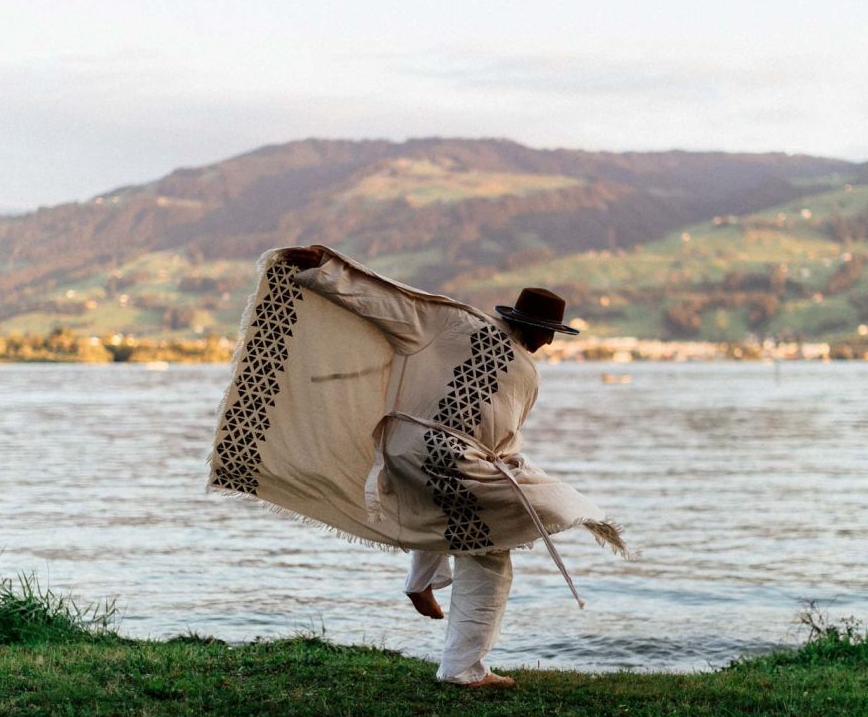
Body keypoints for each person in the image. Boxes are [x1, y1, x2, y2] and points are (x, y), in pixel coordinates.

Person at [211, 245, 625, 690]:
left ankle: (422, 584)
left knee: (448, 511)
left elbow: (388, 306)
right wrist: (324, 270)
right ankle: (463, 669)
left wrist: (324, 273)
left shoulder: (453, 326)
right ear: (537, 329)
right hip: (451, 459)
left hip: (406, 451)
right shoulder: (506, 359)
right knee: (490, 554)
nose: (549, 343)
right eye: (549, 333)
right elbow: (394, 305)